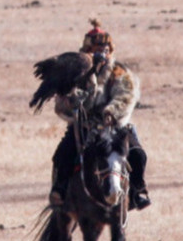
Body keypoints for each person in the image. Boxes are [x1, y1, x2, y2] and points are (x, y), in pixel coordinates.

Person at [48, 22, 150, 211]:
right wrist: (72, 105)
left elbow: (126, 95)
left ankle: (137, 191)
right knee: (62, 156)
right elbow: (63, 101)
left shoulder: (120, 72)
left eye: (106, 48)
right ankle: (59, 192)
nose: (103, 52)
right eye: (98, 48)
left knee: (138, 154)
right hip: (84, 127)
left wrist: (111, 112)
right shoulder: (77, 73)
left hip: (115, 126)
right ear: (88, 50)